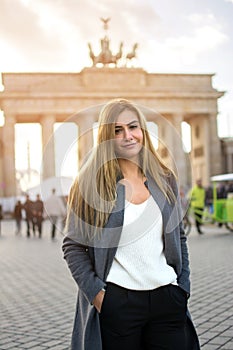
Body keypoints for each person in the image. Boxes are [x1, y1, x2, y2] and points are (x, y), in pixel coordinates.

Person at [62, 99, 200, 350]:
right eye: (117, 130)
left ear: (143, 131)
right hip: (118, 302)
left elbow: (179, 235)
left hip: (167, 298)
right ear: (106, 137)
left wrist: (183, 287)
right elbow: (72, 246)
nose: (128, 136)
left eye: (133, 127)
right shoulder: (90, 183)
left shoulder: (164, 178)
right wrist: (98, 295)